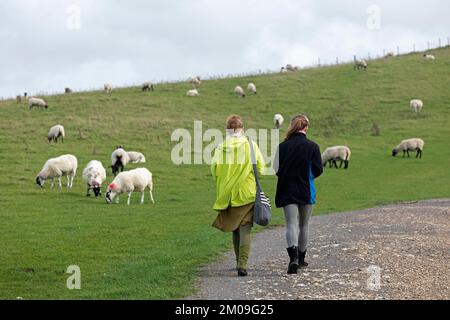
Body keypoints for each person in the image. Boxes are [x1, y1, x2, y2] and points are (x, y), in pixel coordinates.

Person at [211, 115, 265, 277]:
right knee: (245, 227)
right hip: (247, 192)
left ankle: (237, 262)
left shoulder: (221, 147)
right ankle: (243, 263)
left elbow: (214, 170)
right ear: (242, 129)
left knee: (235, 228)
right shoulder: (251, 145)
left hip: (227, 194)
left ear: (227, 129)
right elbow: (261, 169)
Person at [273, 115, 323, 274]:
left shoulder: (282, 147)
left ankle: (292, 258)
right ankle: (301, 259)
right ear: (306, 128)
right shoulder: (313, 147)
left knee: (291, 224)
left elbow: (276, 169)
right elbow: (318, 169)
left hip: (287, 190)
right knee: (304, 225)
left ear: (292, 126)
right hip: (306, 190)